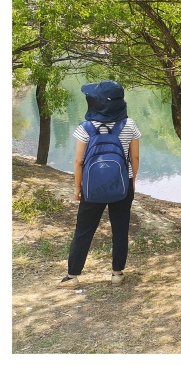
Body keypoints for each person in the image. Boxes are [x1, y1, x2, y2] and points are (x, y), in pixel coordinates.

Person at [59, 80, 141, 288]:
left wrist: (78, 187)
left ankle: (72, 276)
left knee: (84, 230)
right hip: (123, 185)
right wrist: (132, 181)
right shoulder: (129, 125)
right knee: (120, 229)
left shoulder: (85, 127)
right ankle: (117, 274)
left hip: (92, 187)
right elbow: (135, 158)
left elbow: (79, 161)